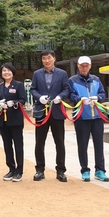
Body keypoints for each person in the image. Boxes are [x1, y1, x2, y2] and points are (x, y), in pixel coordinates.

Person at [29, 50, 70, 183]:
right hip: (41, 111)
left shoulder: (62, 73)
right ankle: (40, 169)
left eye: (49, 58)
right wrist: (39, 97)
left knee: (60, 142)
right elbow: (32, 89)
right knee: (40, 142)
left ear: (54, 58)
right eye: (44, 58)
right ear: (42, 60)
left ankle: (61, 170)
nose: (47, 60)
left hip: (57, 111)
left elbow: (66, 89)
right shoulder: (37, 74)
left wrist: (60, 97)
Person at [68, 56, 108, 182]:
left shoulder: (96, 79)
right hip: (81, 117)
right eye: (82, 65)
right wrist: (79, 99)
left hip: (96, 116)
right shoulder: (72, 80)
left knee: (99, 144)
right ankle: (85, 170)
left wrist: (97, 97)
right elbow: (70, 95)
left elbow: (103, 94)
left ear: (90, 66)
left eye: (86, 65)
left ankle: (100, 170)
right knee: (82, 144)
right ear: (78, 66)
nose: (84, 68)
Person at [0, 63, 26, 182]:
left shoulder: (18, 85)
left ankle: (19, 170)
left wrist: (15, 102)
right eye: (4, 71)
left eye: (8, 71)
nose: (6, 73)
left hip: (16, 120)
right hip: (3, 120)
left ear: (12, 72)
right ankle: (11, 169)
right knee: (7, 146)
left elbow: (23, 100)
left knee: (18, 145)